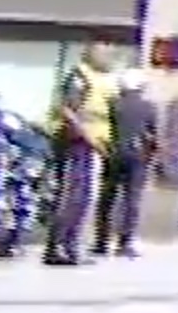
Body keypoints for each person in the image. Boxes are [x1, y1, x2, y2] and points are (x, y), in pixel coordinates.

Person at [43, 43, 124, 268]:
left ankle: (71, 246)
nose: (110, 57)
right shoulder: (80, 76)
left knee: (86, 198)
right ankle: (61, 247)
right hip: (78, 144)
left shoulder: (106, 80)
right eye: (105, 53)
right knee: (76, 197)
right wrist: (86, 136)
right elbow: (67, 109)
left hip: (94, 145)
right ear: (91, 55)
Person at [90, 55, 161, 258]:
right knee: (132, 199)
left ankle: (101, 241)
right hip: (137, 155)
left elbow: (105, 127)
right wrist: (152, 156)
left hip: (112, 153)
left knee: (107, 198)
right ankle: (125, 242)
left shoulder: (112, 103)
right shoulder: (149, 107)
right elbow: (154, 135)